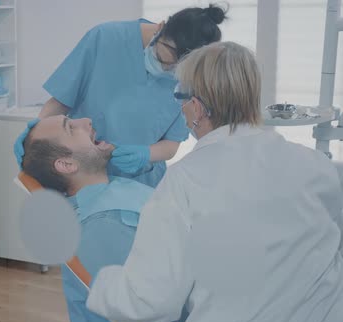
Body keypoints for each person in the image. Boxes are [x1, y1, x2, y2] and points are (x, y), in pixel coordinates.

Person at [85, 41, 343, 322]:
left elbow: (151, 302)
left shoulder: (184, 181)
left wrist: (101, 284)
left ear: (196, 108)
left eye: (179, 98)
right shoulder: (315, 163)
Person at [15, 4, 228, 188]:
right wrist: (36, 135)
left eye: (178, 68)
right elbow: (61, 101)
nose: (168, 70)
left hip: (141, 184)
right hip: (81, 178)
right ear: (161, 28)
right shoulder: (104, 38)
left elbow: (172, 145)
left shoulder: (193, 77)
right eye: (165, 60)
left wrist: (146, 153)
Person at [18, 115, 186, 322]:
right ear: (67, 164)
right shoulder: (101, 225)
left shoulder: (114, 192)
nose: (86, 120)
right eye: (70, 128)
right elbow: (150, 311)